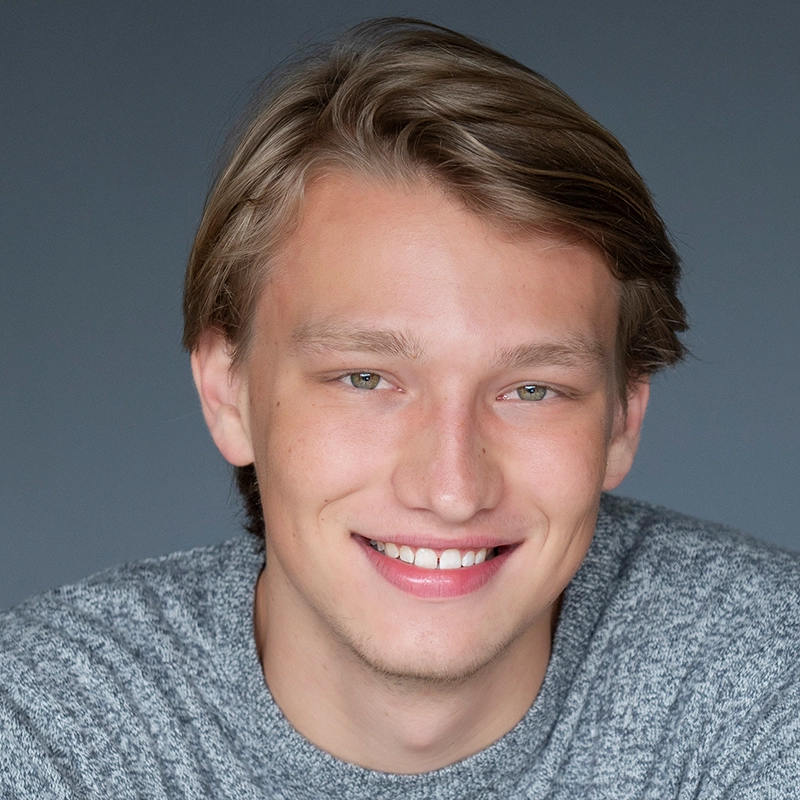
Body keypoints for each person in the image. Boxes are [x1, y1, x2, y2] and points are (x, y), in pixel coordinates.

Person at [1, 17, 798, 798]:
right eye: (366, 378)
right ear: (227, 391)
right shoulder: (41, 732)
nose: (451, 488)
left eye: (531, 390)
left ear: (622, 420)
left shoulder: (769, 684)